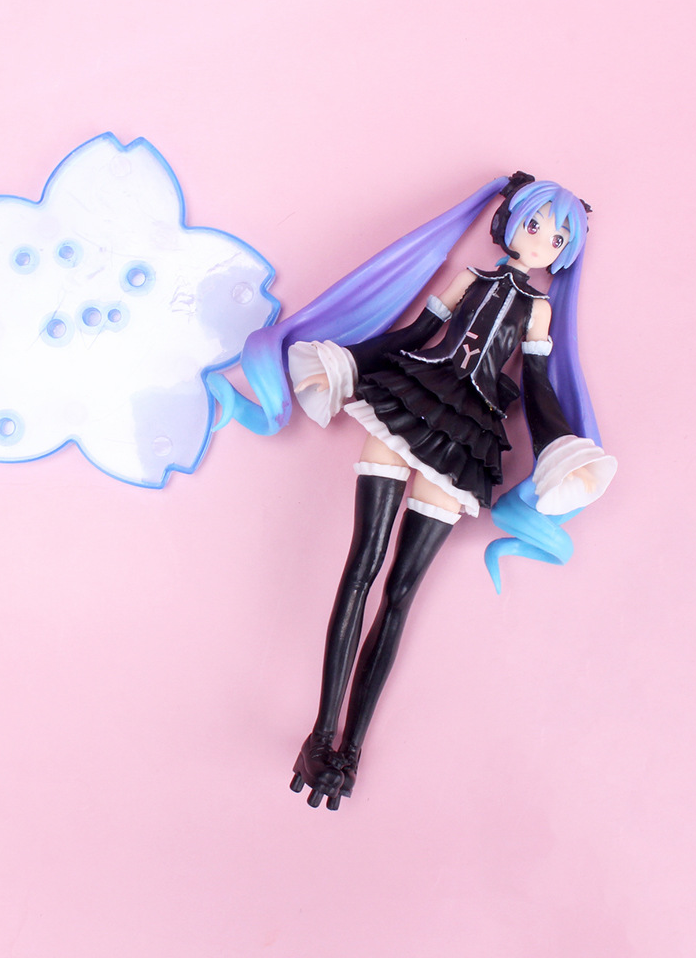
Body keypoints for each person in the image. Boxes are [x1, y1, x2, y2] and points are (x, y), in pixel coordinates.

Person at [208, 173, 617, 809]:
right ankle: (320, 735)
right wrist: (351, 362)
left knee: (400, 592)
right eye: (536, 224)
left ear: (565, 252)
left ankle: (349, 750)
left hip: (467, 435)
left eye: (558, 238)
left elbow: (537, 386)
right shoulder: (468, 281)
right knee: (361, 566)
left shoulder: (539, 311)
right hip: (410, 400)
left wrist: (557, 446)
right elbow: (412, 337)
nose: (541, 241)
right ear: (512, 219)